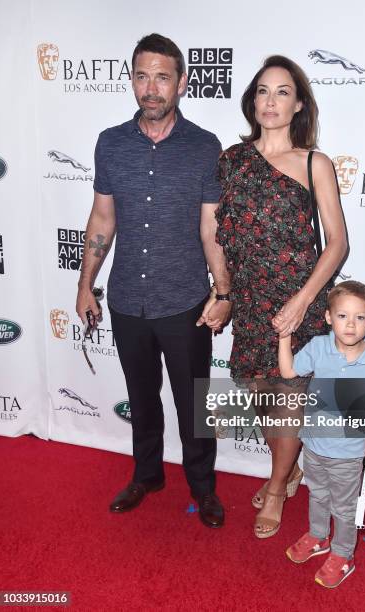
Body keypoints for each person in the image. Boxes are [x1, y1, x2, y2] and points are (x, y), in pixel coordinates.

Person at [76, 33, 231, 528]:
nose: (151, 87)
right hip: (126, 300)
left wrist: (222, 291)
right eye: (142, 76)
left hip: (185, 300)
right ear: (132, 81)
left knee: (193, 404)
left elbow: (212, 229)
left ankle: (203, 488)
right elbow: (102, 219)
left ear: (181, 83)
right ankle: (147, 474)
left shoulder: (206, 147)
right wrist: (85, 284)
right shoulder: (111, 143)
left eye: (162, 76)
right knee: (141, 397)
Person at [215, 55, 347, 538]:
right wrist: (222, 292)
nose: (270, 101)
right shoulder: (232, 159)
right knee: (263, 401)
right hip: (250, 302)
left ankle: (275, 488)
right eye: (263, 91)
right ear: (253, 101)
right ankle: (288, 470)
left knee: (289, 402)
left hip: (301, 302)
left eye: (282, 92)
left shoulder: (315, 163)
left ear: (298, 105)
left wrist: (302, 300)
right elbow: (222, 234)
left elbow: (336, 243)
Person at [280, 281, 365, 588]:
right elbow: (289, 371)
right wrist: (284, 336)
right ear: (329, 317)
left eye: (360, 317)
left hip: (348, 452)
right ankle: (318, 537)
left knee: (343, 507)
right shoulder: (318, 347)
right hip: (314, 444)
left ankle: (344, 554)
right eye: (343, 316)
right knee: (316, 495)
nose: (351, 324)